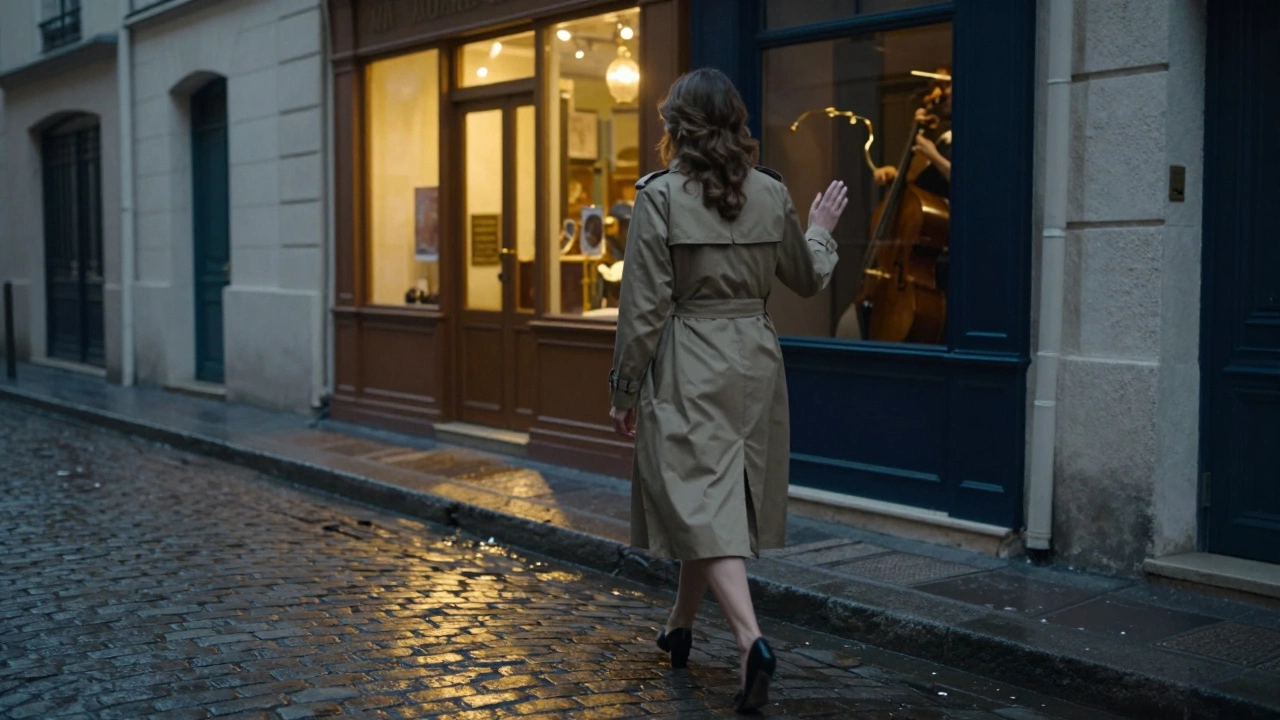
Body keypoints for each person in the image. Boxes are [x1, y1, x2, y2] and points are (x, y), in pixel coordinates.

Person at [607, 67, 847, 713]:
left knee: (697, 498)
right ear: (736, 121)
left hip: (689, 359)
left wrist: (625, 390)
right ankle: (679, 627)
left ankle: (750, 642)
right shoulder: (771, 193)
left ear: (676, 127)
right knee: (709, 499)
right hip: (756, 360)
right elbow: (806, 277)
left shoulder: (658, 197)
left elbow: (643, 308)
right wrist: (822, 227)